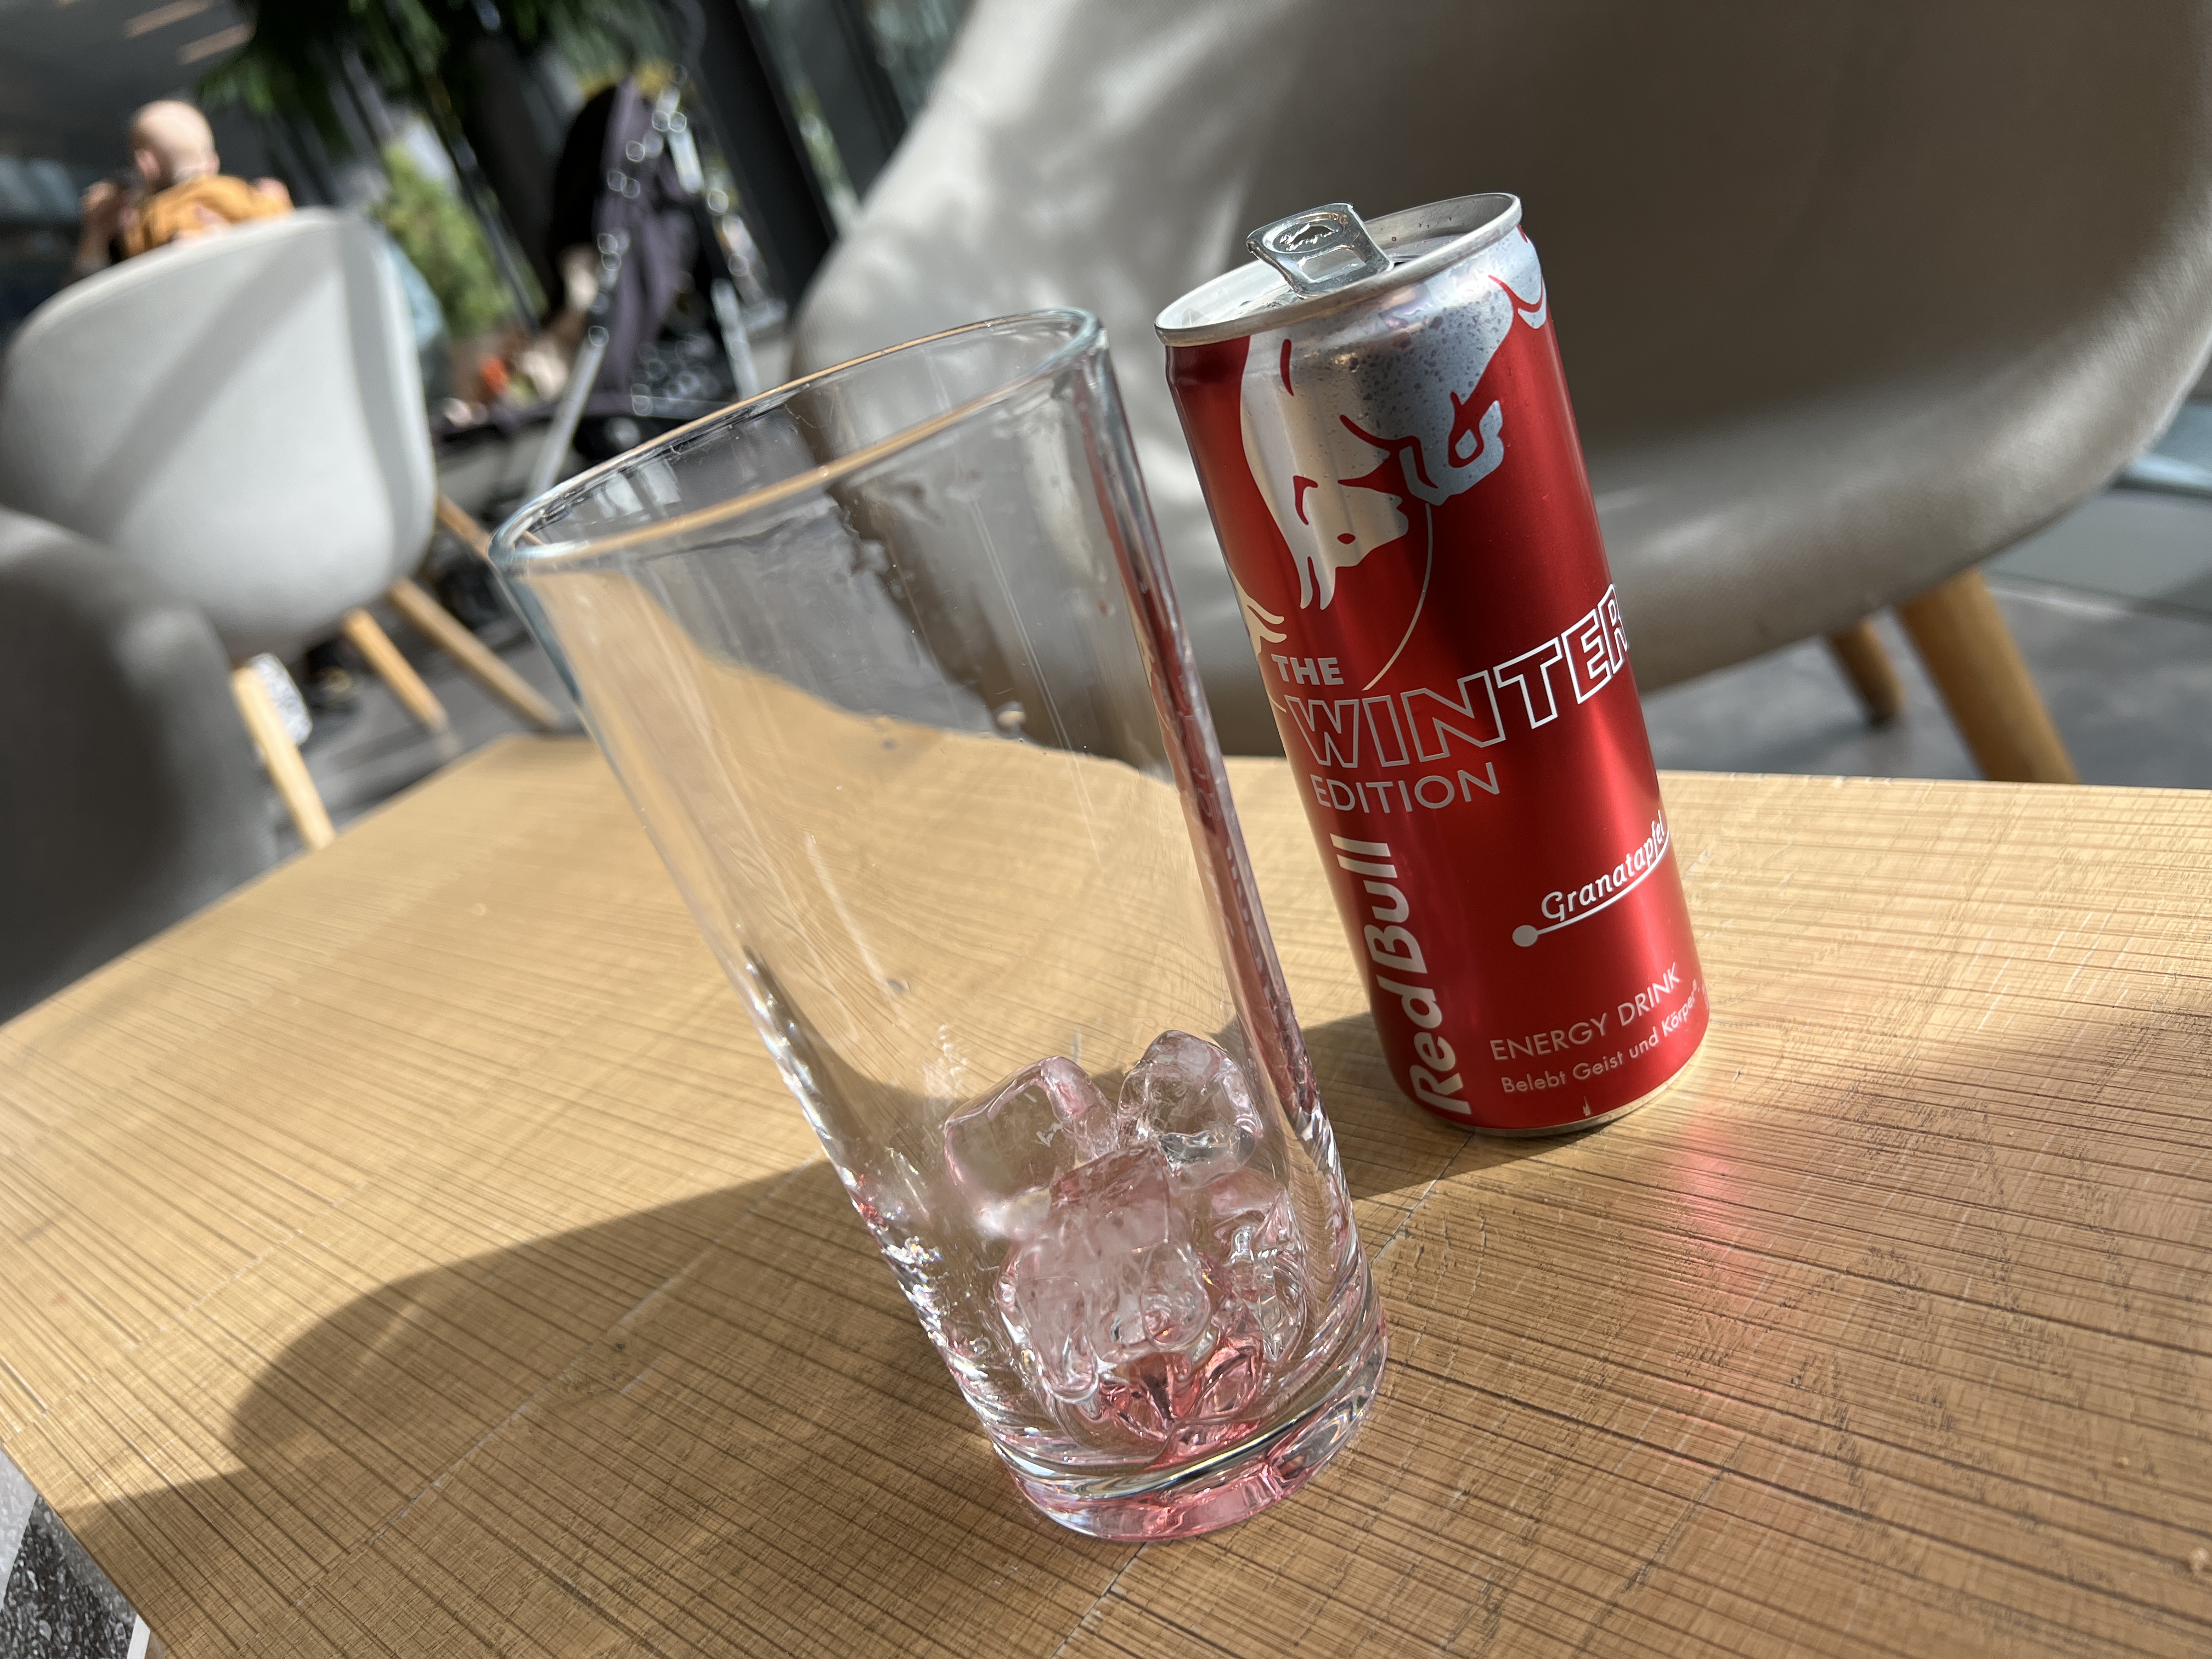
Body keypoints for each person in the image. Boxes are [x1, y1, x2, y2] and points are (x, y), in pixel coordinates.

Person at [70, 101, 291, 284]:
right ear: (213, 162)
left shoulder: (151, 217)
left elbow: (134, 257)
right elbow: (278, 223)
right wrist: (276, 200)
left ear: (147, 165)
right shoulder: (237, 191)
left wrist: (111, 234)